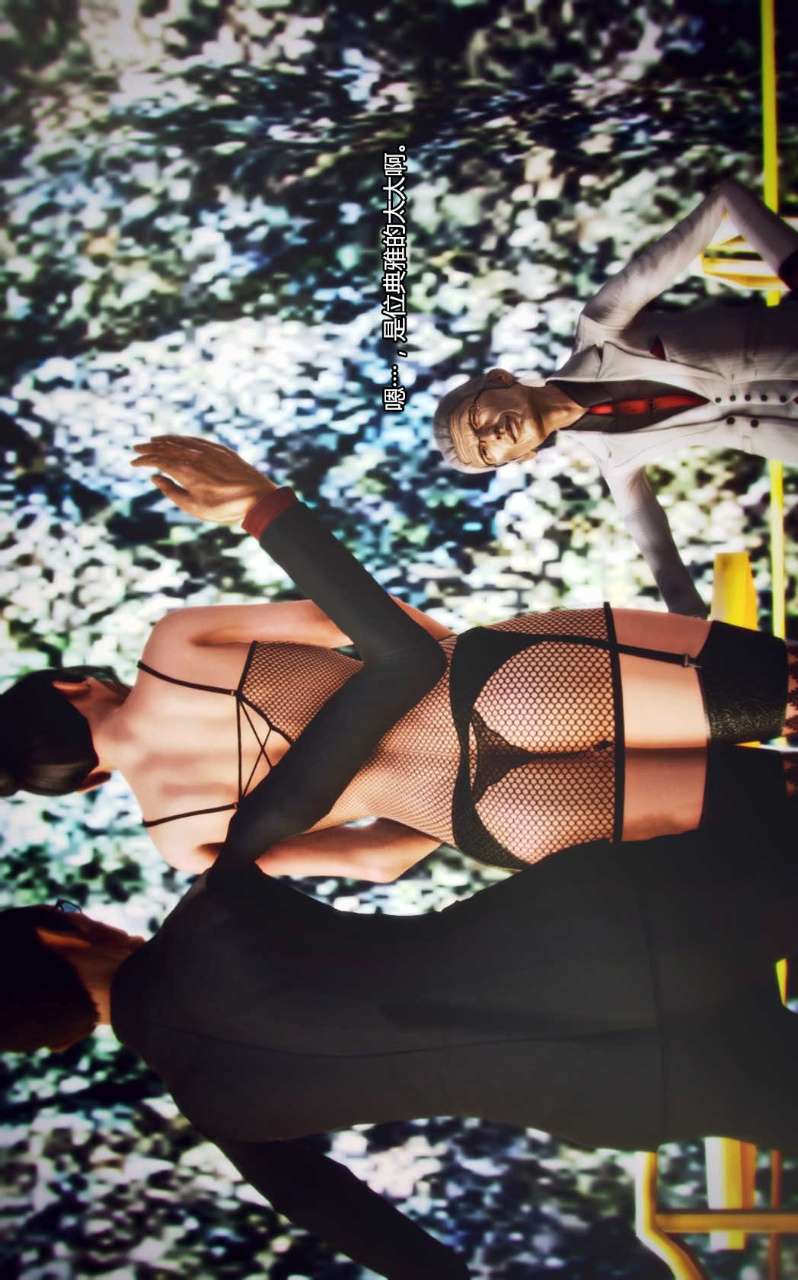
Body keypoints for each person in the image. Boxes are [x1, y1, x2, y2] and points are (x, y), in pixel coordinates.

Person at [3, 815, 798, 1278]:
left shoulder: (219, 1111)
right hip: (604, 939)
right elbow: (383, 705)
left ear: (59, 1038)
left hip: (619, 1089)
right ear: (58, 934)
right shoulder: (213, 906)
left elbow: (408, 1259)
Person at [2, 435, 798, 878]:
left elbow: (376, 859)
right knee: (784, 691)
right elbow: (375, 623)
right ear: (72, 686)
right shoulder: (174, 645)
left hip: (492, 817)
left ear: (86, 780)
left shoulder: (180, 843)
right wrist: (465, 667)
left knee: (784, 810)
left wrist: (438, 809)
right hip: (500, 689)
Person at [432, 178, 798, 617]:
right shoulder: (616, 464)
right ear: (520, 458)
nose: (491, 434)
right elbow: (669, 574)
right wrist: (705, 644)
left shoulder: (602, 325)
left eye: (475, 418)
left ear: (499, 377)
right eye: (485, 451)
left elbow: (724, 202)